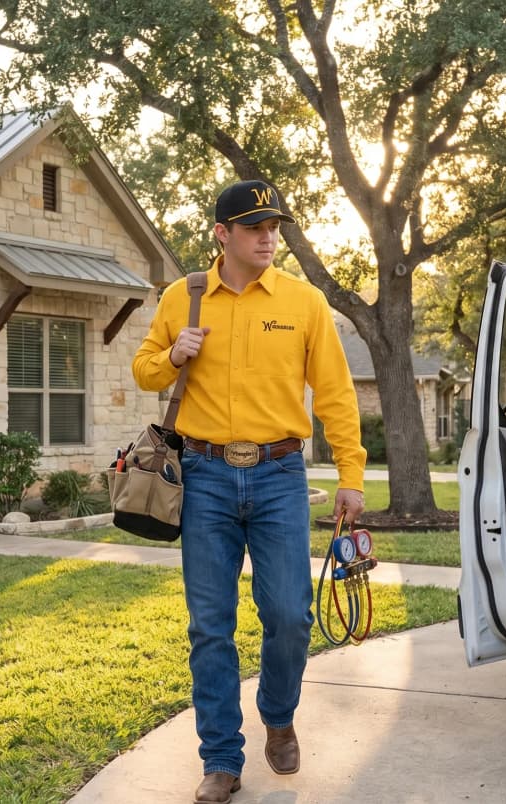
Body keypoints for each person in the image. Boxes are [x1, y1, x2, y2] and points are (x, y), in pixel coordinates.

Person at [132, 179, 366, 804]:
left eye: (274, 227)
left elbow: (337, 396)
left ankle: (279, 714)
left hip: (280, 476)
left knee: (289, 615)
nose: (269, 237)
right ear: (222, 234)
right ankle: (220, 759)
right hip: (204, 476)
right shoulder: (183, 297)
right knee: (210, 625)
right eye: (255, 227)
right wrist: (173, 355)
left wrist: (350, 476)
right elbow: (144, 368)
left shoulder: (304, 301)